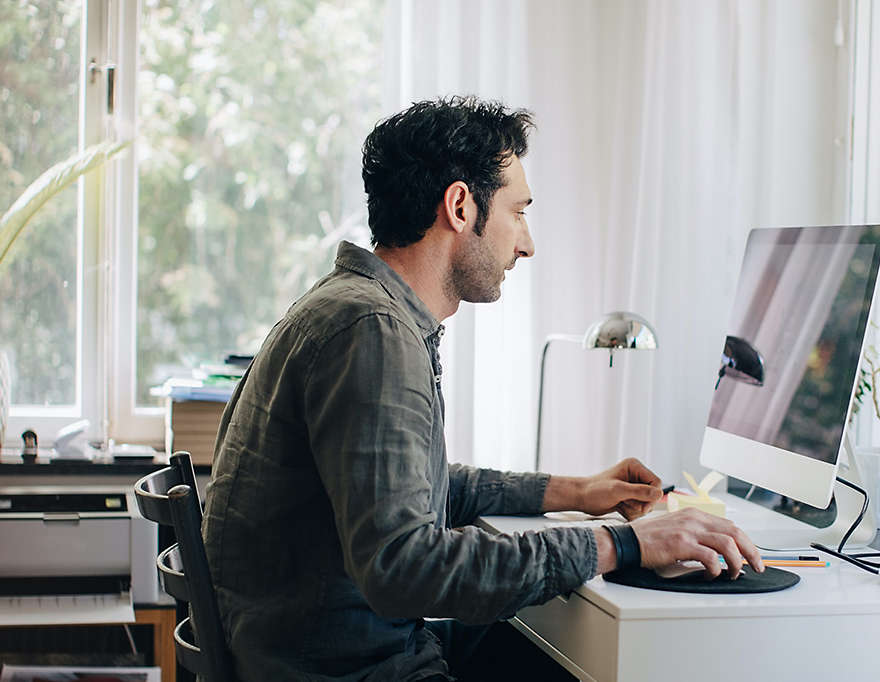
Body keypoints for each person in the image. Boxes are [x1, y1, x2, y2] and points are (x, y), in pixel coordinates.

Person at [201, 96, 764, 681]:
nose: (527, 243)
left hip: (326, 649)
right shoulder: (372, 334)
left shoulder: (355, 310)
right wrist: (624, 544)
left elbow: (425, 487)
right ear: (461, 206)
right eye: (519, 213)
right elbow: (404, 568)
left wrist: (577, 490)